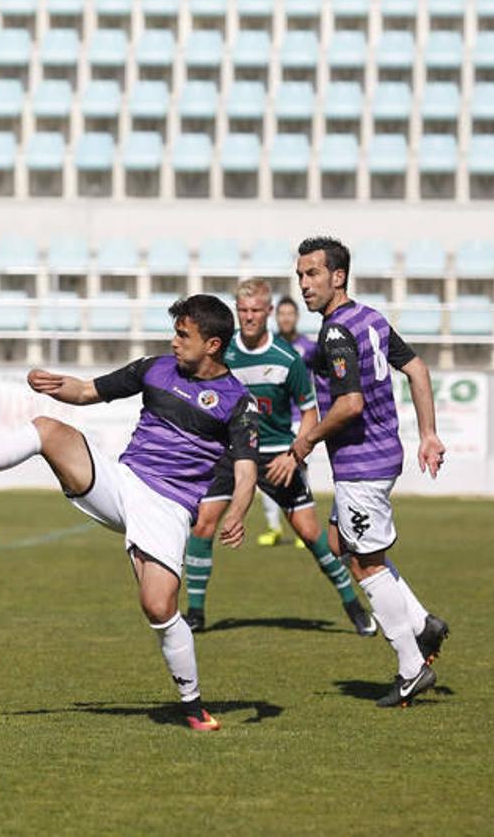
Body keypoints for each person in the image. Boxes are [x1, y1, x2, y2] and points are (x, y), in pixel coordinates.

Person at [0, 295, 261, 732]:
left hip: (168, 506)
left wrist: (239, 512)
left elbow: (246, 470)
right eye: (174, 332)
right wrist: (56, 384)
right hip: (123, 482)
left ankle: (192, 704)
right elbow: (88, 392)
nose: (174, 342)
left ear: (213, 345)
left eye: (183, 336)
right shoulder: (154, 368)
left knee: (158, 606)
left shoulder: (237, 401)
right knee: (47, 430)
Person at [283, 237, 450, 708]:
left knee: (365, 563)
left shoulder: (336, 331)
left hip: (362, 463)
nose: (304, 284)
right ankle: (422, 623)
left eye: (312, 274)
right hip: (380, 455)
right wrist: (429, 434)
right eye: (299, 275)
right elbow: (416, 368)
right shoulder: (369, 317)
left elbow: (350, 404)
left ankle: (410, 666)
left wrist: (307, 440)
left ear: (338, 277)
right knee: (338, 543)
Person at [182, 279, 376, 639]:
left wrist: (295, 453)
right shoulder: (221, 353)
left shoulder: (288, 359)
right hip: (228, 453)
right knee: (204, 523)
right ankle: (195, 612)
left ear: (269, 312)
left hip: (276, 454)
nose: (249, 317)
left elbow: (309, 412)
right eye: (243, 311)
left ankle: (353, 605)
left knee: (310, 532)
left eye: (256, 310)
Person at [255, 295, 314, 547]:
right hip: (273, 421)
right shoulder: (270, 345)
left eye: (290, 314)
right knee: (269, 475)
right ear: (276, 316)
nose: (286, 318)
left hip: (300, 420)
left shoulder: (309, 348)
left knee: (299, 470)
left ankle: (305, 528)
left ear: (296, 317)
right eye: (282, 314)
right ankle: (274, 527)